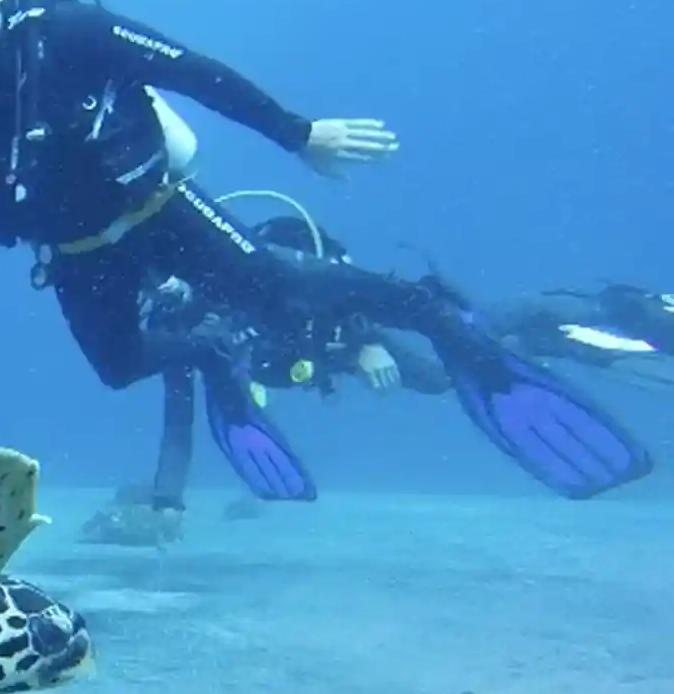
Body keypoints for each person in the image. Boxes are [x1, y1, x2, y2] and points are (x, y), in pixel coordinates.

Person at [0, 0, 654, 502]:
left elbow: (192, 71)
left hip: (159, 213)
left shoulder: (69, 31)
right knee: (118, 369)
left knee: (278, 290)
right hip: (76, 255)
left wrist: (296, 132)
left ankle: (430, 313)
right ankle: (212, 352)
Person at [139, 214, 674, 515]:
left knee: (455, 350)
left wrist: (364, 343)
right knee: (443, 378)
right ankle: (553, 338)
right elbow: (178, 418)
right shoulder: (192, 333)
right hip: (321, 352)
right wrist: (167, 499)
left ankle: (607, 311)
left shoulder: (252, 274)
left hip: (343, 330)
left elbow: (342, 290)